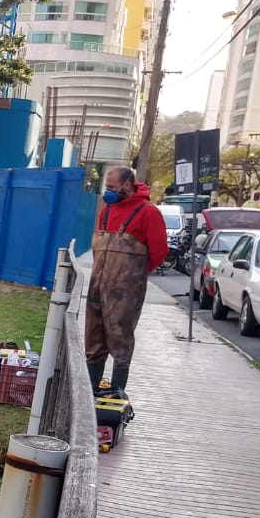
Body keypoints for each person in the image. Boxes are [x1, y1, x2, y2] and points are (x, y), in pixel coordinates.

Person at [86, 166, 167, 396]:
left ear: (128, 185)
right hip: (97, 287)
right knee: (93, 339)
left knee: (120, 338)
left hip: (126, 291)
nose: (108, 192)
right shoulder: (107, 211)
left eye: (112, 187)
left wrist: (133, 275)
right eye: (106, 187)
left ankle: (117, 391)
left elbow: (159, 250)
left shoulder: (148, 212)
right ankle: (91, 390)